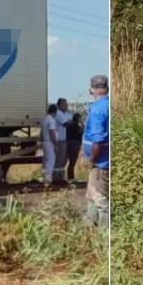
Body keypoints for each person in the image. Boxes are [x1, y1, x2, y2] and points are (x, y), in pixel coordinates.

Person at [82, 74, 109, 226]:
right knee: (91, 194)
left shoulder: (98, 109)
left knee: (100, 198)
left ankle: (105, 234)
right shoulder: (107, 105)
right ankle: (90, 224)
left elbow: (97, 140)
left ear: (91, 90)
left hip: (100, 163)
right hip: (102, 161)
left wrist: (91, 159)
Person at [59, 98, 82, 184]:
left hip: (69, 142)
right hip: (74, 144)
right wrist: (82, 125)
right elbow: (80, 132)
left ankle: (69, 177)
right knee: (72, 161)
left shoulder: (70, 123)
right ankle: (70, 178)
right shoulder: (75, 125)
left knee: (69, 161)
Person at [41, 103, 60, 188]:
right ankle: (48, 179)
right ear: (55, 112)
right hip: (49, 142)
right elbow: (52, 132)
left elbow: (41, 133)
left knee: (46, 159)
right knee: (51, 159)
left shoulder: (45, 119)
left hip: (45, 141)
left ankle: (44, 177)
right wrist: (55, 143)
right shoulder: (51, 120)